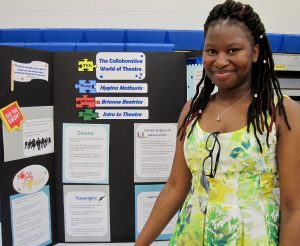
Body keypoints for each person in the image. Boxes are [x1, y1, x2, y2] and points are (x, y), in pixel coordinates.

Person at [135, 0, 300, 245]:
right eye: (211, 51)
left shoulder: (280, 110)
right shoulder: (193, 109)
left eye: (233, 50)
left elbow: (292, 208)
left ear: (255, 52)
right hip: (190, 237)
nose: (220, 61)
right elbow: (175, 187)